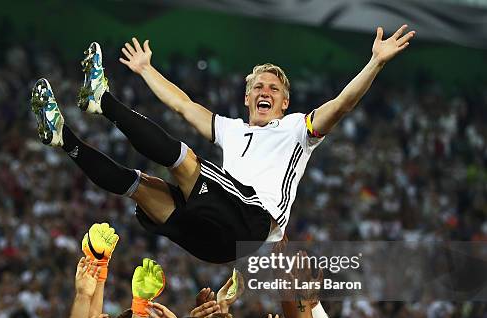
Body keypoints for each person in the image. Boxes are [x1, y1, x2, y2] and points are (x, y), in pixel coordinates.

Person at [30, 25, 415, 263]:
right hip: (217, 245)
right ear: (247, 98)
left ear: (284, 103)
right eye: (258, 87)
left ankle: (103, 102)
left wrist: (375, 62)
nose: (265, 91)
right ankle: (65, 139)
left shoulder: (298, 129)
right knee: (142, 188)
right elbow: (183, 105)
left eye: (273, 89)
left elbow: (343, 103)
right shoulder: (231, 129)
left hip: (252, 221)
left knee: (186, 161)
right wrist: (147, 70)